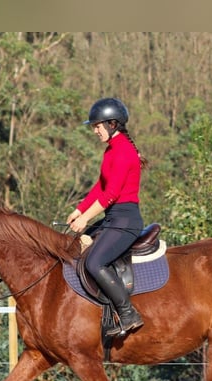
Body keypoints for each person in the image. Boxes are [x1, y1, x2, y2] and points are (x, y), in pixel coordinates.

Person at [67, 97, 148, 336]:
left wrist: (86, 219)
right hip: (113, 218)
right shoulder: (111, 150)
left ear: (112, 124)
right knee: (77, 248)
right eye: (93, 126)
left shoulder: (123, 150)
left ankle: (127, 313)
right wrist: (79, 210)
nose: (94, 130)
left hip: (125, 221)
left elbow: (111, 194)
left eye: (97, 126)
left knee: (94, 262)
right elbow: (101, 186)